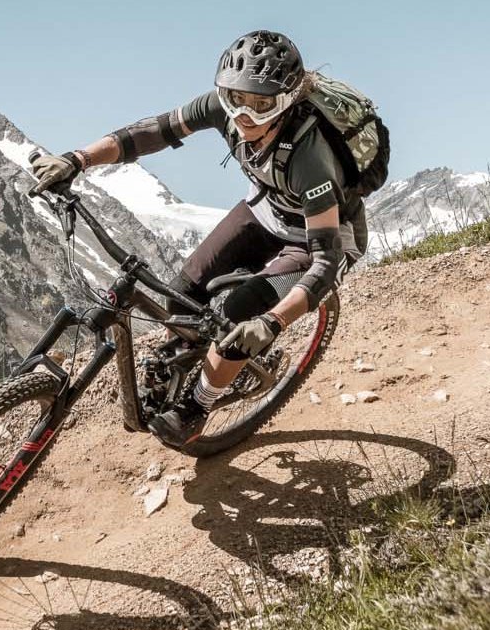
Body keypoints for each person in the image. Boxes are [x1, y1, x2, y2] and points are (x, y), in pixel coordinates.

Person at [29, 30, 367, 448]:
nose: (245, 115)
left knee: (239, 320)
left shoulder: (309, 157)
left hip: (316, 238)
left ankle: (199, 407)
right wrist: (77, 159)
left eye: (262, 106)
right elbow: (154, 131)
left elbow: (324, 262)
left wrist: (271, 322)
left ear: (287, 101)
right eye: (236, 99)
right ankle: (184, 367)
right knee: (183, 290)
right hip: (265, 209)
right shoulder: (226, 108)